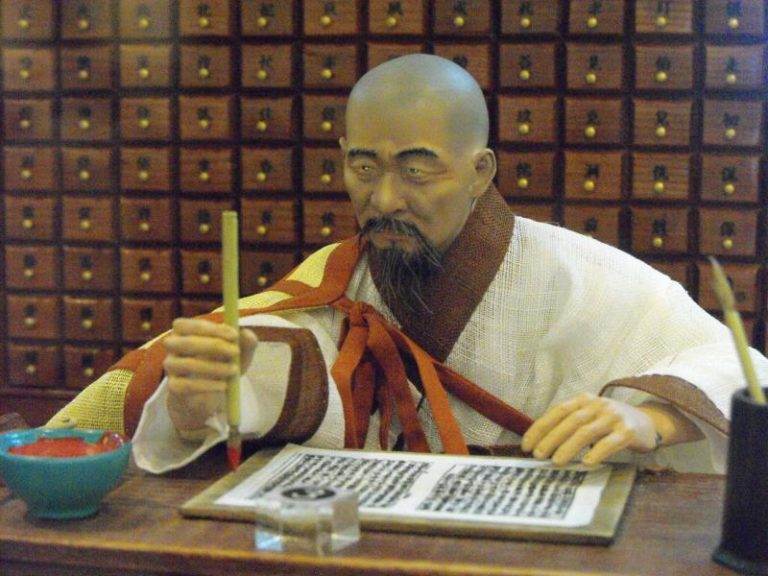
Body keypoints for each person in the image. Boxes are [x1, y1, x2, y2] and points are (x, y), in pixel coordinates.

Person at [48, 54, 768, 475]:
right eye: (364, 169)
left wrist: (650, 418)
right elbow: (291, 377)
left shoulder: (587, 279)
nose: (384, 198)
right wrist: (201, 402)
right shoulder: (341, 283)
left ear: (481, 171)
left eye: (416, 171)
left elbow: (746, 371)